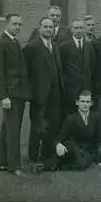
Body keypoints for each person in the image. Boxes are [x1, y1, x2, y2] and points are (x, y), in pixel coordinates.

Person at [0, 13, 29, 176]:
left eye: (20, 24)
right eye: (14, 24)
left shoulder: (14, 42)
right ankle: (15, 166)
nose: (17, 27)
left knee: (8, 128)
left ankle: (3, 161)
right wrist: (3, 96)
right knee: (13, 130)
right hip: (10, 94)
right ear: (6, 24)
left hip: (18, 92)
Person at [23, 17, 64, 163]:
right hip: (39, 94)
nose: (48, 29)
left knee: (53, 125)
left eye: (51, 27)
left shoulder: (55, 45)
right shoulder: (32, 46)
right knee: (37, 126)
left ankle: (47, 153)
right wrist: (30, 92)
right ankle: (33, 156)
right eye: (45, 27)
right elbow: (25, 71)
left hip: (55, 93)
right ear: (39, 28)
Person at [37, 91, 101, 171]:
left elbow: (99, 139)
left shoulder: (96, 117)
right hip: (72, 148)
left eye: (87, 102)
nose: (85, 104)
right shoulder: (71, 119)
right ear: (77, 102)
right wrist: (58, 144)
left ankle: (58, 166)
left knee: (81, 164)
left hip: (87, 151)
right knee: (67, 149)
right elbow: (60, 137)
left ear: (91, 103)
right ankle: (43, 166)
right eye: (82, 101)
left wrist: (99, 158)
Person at [59, 19, 93, 115]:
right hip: (70, 89)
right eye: (76, 28)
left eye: (81, 28)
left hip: (86, 88)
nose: (79, 30)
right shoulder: (64, 47)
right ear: (72, 30)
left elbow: (92, 67)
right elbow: (62, 68)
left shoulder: (89, 46)